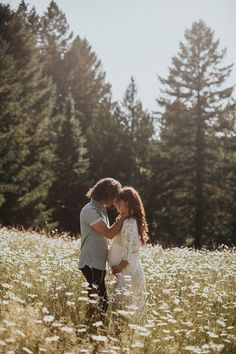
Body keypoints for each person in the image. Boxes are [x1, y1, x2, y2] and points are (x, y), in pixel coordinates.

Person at [79, 177, 128, 314]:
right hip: (91, 261)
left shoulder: (101, 209)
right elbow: (109, 233)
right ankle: (91, 329)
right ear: (105, 194)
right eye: (113, 197)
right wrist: (124, 216)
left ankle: (90, 328)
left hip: (98, 261)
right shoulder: (90, 210)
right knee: (100, 301)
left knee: (97, 300)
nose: (114, 201)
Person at [108, 186, 148, 315]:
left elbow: (133, 251)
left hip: (126, 271)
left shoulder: (130, 223)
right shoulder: (125, 220)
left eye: (118, 202)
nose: (116, 206)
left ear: (126, 202)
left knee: (124, 308)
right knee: (121, 306)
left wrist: (119, 266)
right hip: (122, 271)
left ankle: (122, 333)